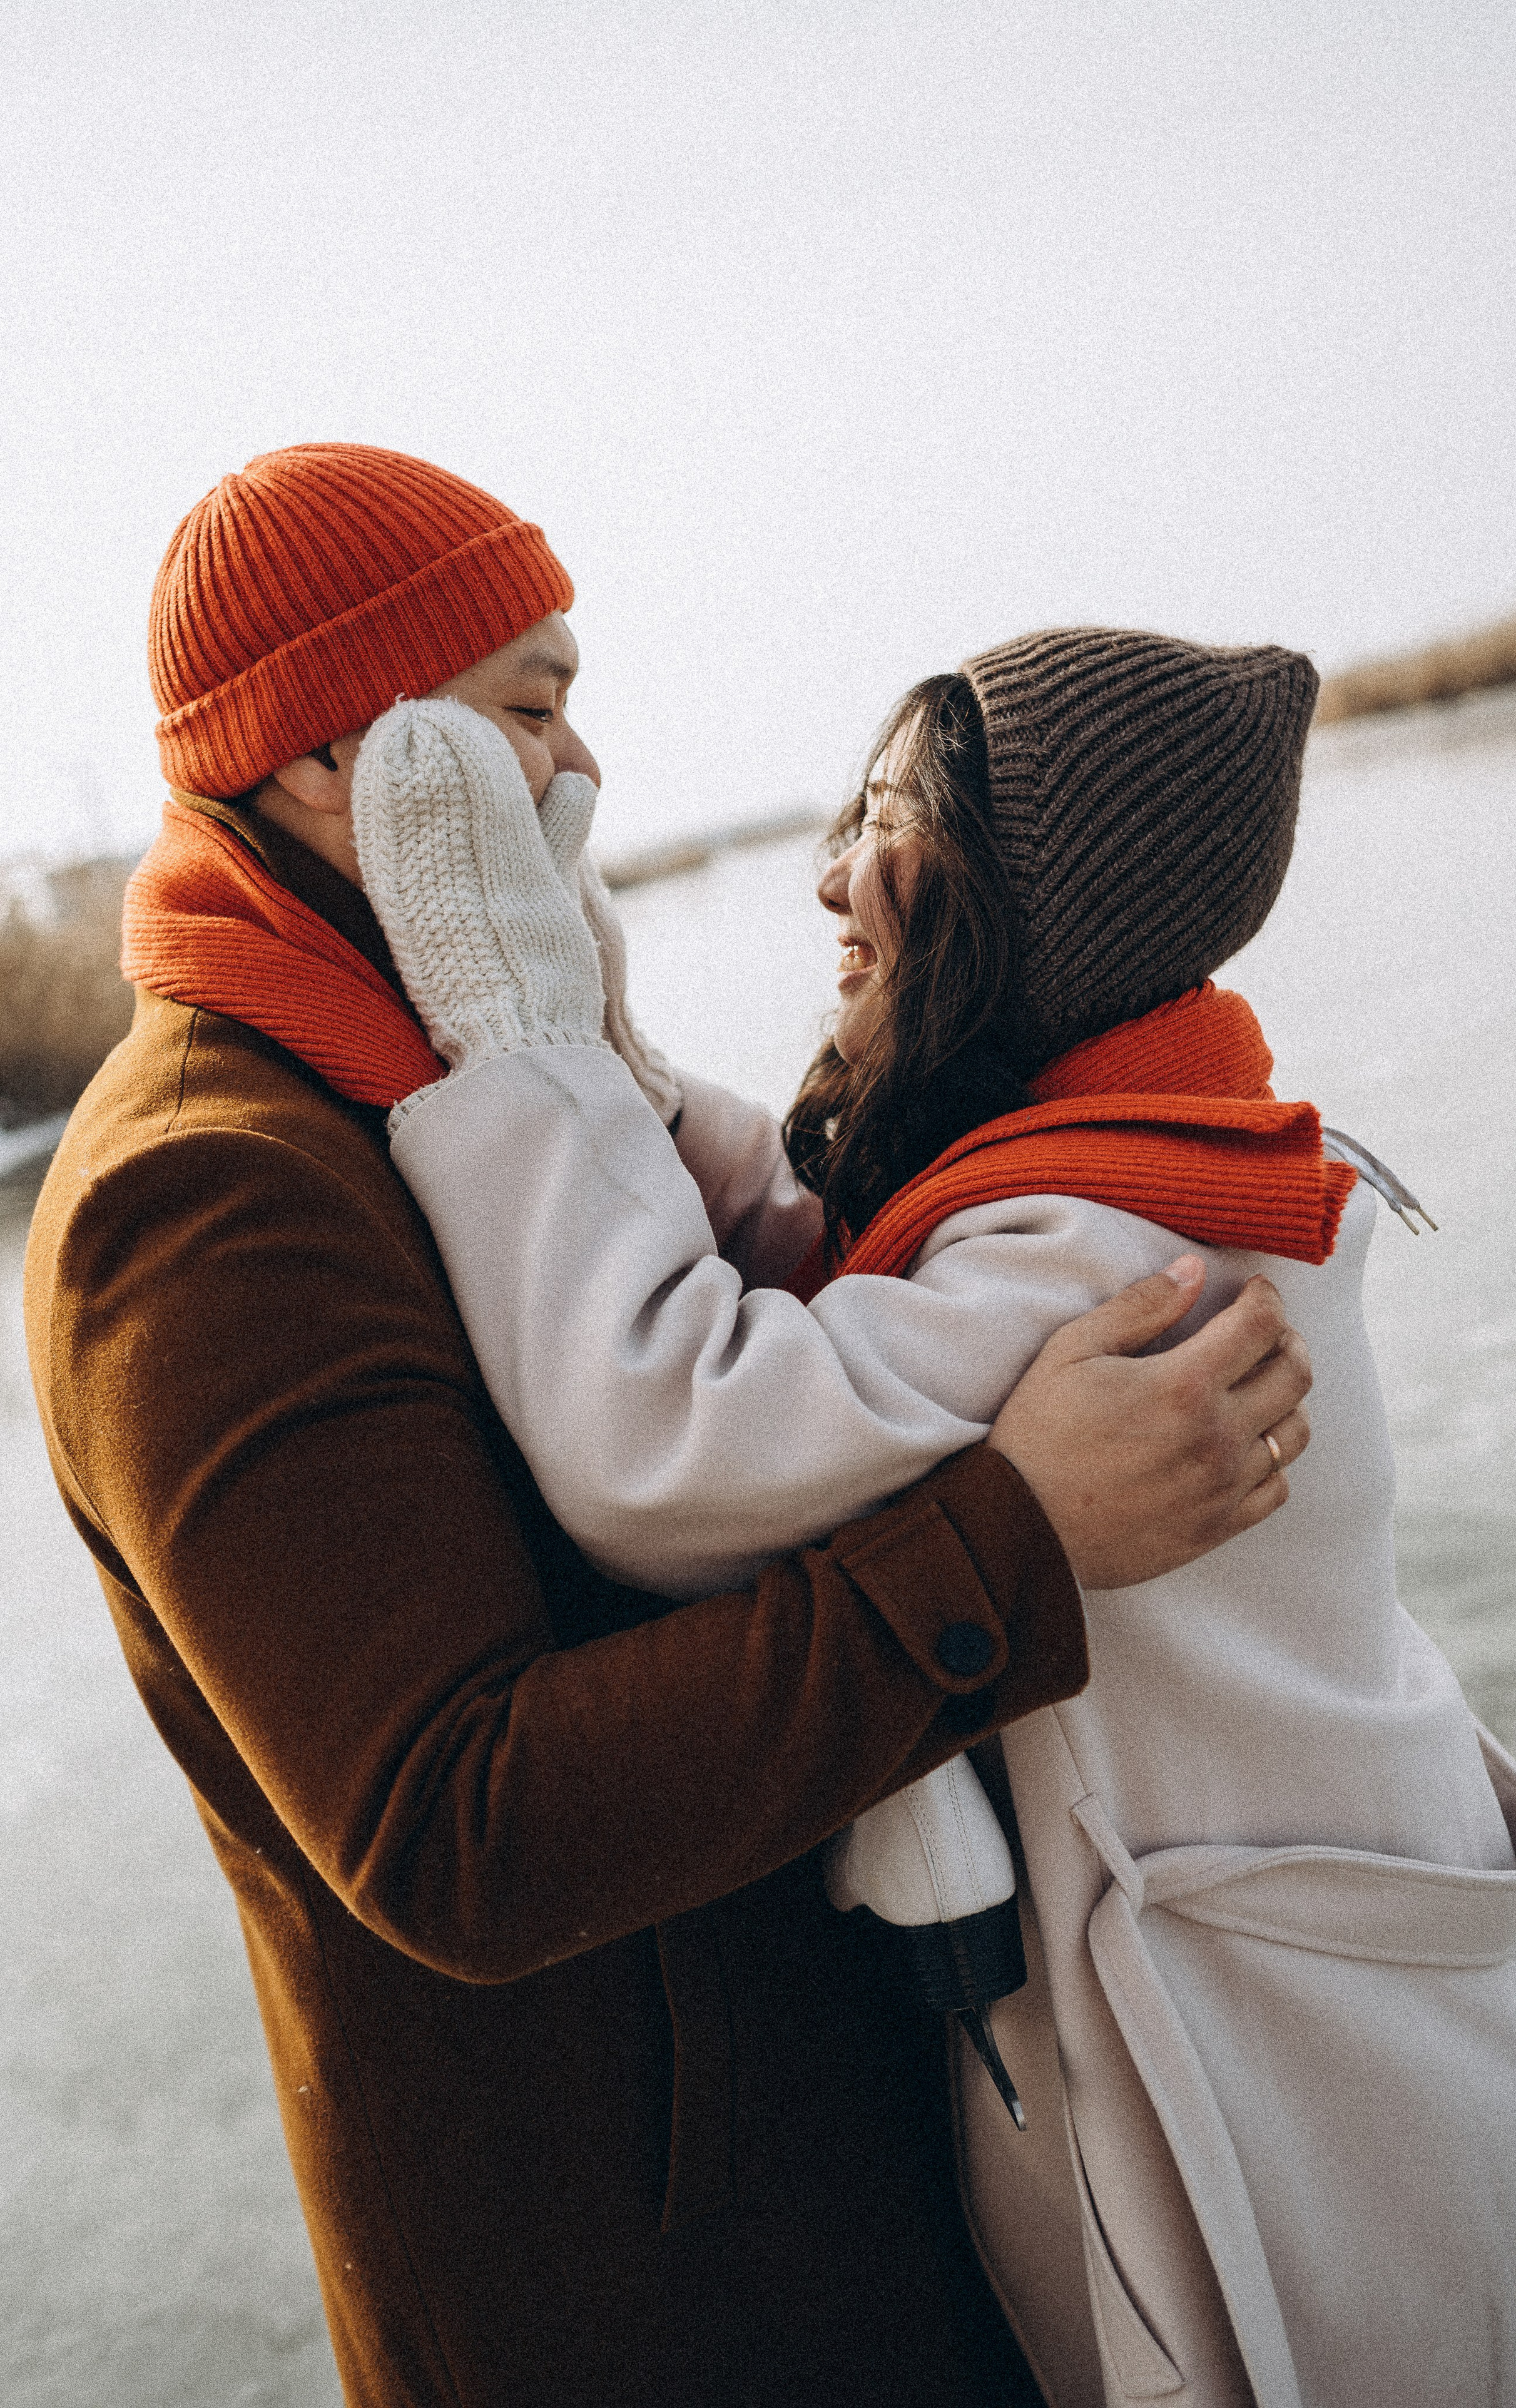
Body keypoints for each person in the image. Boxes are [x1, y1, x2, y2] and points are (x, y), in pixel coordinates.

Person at [24, 444, 1315, 2408]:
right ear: (324, 768)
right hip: (650, 2306)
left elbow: (746, 1316)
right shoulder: (205, 1196)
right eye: (527, 711)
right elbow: (459, 1827)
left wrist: (594, 1057)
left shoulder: (432, 1065)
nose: (580, 774)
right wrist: (1020, 1537)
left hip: (826, 2180)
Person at [345, 633, 1516, 2408]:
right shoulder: (1139, 1171)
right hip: (1332, 1995)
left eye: (889, 818)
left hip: (1288, 2073)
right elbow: (825, 1269)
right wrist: (619, 1058)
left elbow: (678, 1441)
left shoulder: (1097, 1255)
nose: (828, 872)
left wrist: (521, 1041)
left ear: (1035, 902)